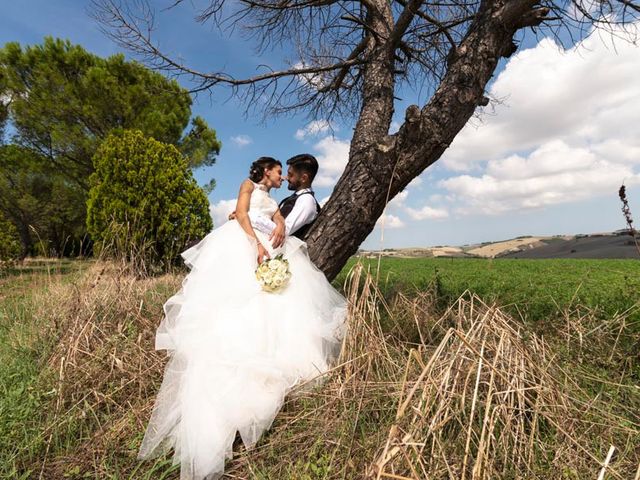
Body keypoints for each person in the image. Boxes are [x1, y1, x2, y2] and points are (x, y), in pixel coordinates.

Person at [137, 157, 347, 480]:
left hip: (265, 246)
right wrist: (248, 225)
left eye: (287, 172)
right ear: (266, 172)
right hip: (246, 246)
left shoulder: (295, 201)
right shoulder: (249, 186)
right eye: (279, 171)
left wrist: (275, 223)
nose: (283, 176)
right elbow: (248, 213)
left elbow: (279, 223)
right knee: (234, 307)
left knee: (263, 313)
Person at [229, 153, 321, 239]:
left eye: (290, 175)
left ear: (304, 178)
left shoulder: (306, 200)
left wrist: (246, 216)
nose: (286, 178)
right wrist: (242, 216)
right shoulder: (286, 200)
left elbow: (284, 231)